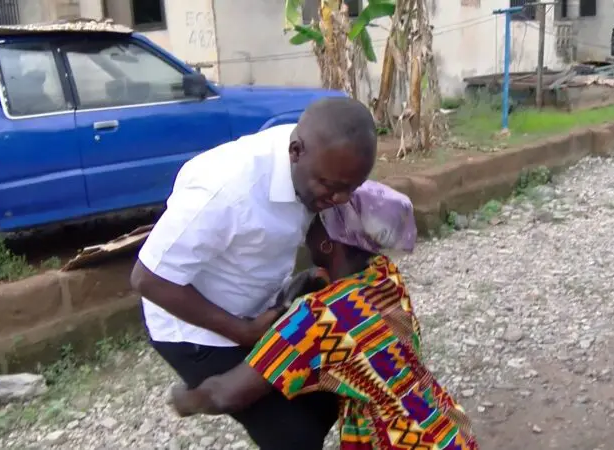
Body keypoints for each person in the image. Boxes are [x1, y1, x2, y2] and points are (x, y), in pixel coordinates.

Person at [130, 97, 378, 449]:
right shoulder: (225, 190)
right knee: (293, 435)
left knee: (331, 395)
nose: (340, 198)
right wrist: (243, 332)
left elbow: (320, 224)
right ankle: (199, 395)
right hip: (196, 330)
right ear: (296, 151)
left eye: (350, 188)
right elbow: (148, 279)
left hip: (259, 305)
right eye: (331, 186)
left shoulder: (317, 164)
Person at [170, 180, 479, 450]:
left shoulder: (317, 318)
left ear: (325, 242)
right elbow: (353, 313)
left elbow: (228, 394)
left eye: (313, 222)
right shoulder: (385, 275)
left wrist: (187, 400)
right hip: (444, 425)